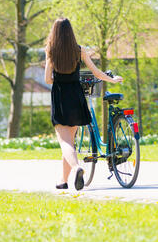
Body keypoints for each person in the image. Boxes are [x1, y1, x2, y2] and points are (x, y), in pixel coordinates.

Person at [44, 18, 123, 190]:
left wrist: (58, 78)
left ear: (54, 33)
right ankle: (62, 181)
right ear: (70, 33)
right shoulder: (79, 50)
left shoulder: (50, 51)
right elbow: (97, 73)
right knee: (69, 141)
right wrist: (112, 79)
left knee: (65, 142)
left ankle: (76, 167)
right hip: (76, 96)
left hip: (60, 96)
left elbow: (47, 79)